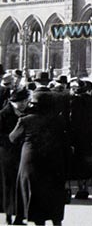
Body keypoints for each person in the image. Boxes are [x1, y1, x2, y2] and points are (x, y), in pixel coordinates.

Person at [9, 91, 67, 226]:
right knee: (53, 192)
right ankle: (56, 221)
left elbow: (12, 138)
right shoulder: (58, 120)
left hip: (31, 161)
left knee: (34, 191)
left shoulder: (25, 120)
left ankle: (38, 222)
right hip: (53, 160)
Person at [69, 78, 92, 199]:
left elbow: (70, 118)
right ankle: (86, 186)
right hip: (91, 135)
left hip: (77, 136)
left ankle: (81, 187)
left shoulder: (73, 101)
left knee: (79, 161)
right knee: (89, 160)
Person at [0, 88, 29, 226]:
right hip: (7, 154)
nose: (23, 104)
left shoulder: (26, 114)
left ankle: (20, 216)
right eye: (19, 102)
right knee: (9, 185)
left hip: (22, 153)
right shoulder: (3, 114)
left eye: (24, 101)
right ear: (12, 102)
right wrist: (11, 140)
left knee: (21, 185)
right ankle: (8, 214)